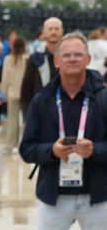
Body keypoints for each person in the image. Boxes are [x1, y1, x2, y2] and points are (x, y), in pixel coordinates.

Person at [20, 31, 107, 229]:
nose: (73, 59)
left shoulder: (104, 98)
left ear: (88, 59)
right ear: (56, 61)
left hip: (99, 197)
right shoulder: (42, 100)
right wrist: (52, 151)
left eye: (78, 54)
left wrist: (95, 150)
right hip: (54, 197)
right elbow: (27, 149)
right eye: (67, 55)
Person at [21, 17, 63, 118]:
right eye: (50, 29)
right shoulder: (35, 59)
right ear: (44, 32)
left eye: (57, 29)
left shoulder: (69, 57)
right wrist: (27, 116)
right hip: (41, 112)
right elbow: (26, 90)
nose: (53, 32)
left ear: (62, 31)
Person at [0, 37, 28, 152]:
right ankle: (25, 144)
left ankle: (12, 145)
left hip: (12, 93)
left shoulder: (7, 59)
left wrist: (3, 91)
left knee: (12, 119)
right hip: (26, 93)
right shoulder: (28, 59)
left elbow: (5, 77)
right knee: (27, 120)